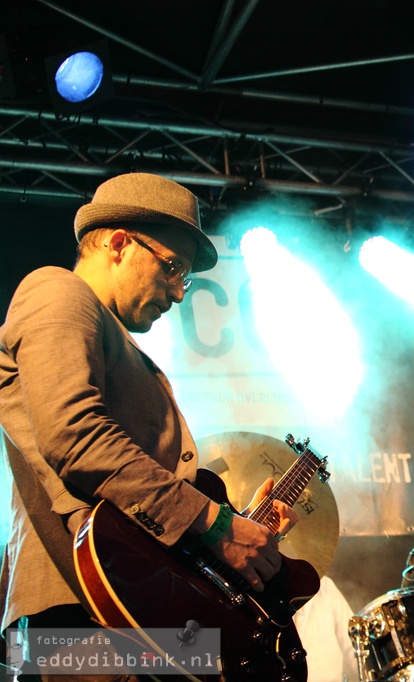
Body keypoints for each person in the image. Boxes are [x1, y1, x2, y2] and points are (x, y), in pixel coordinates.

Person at [0, 173, 299, 680]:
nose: (180, 293)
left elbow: (134, 502)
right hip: (75, 615)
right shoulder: (56, 289)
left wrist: (237, 528)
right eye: (173, 268)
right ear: (119, 244)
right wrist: (218, 525)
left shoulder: (109, 331)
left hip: (132, 609)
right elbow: (76, 436)